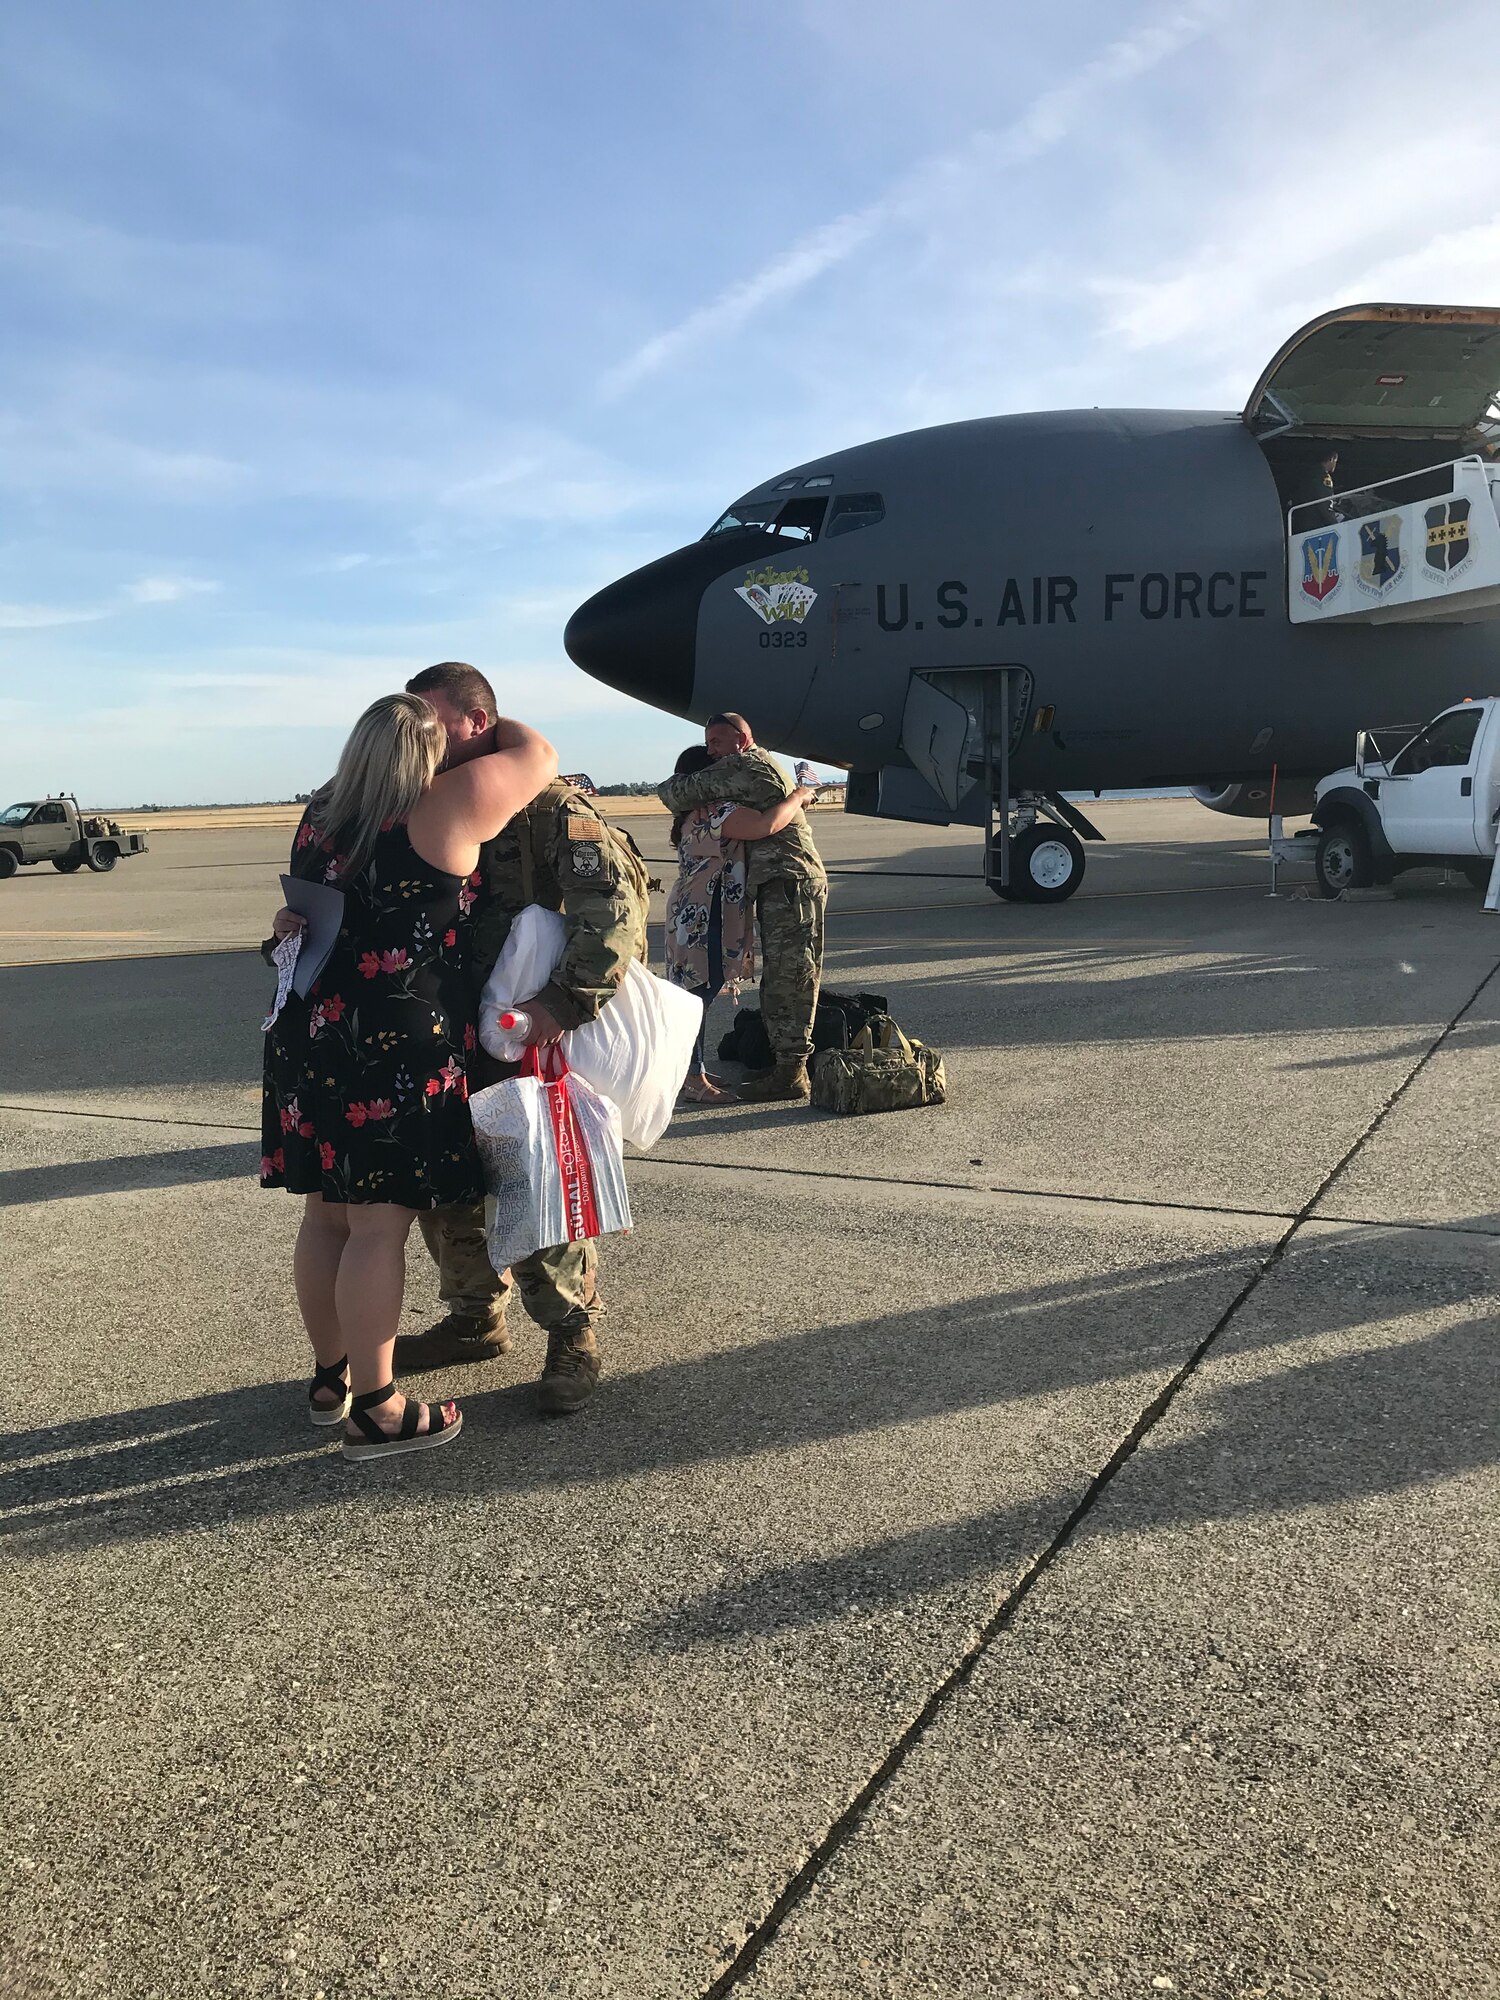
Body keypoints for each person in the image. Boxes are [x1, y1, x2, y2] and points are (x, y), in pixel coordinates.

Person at [261, 692, 557, 1461]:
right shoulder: (443, 804)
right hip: (395, 1041)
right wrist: (476, 725)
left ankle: (331, 1382)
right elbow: (538, 755)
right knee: (377, 1228)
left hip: (309, 1029)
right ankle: (379, 1409)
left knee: (325, 1216)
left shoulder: (321, 814)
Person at [391, 662, 650, 1412]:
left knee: (536, 1183)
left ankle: (573, 1331)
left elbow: (614, 910)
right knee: (447, 1191)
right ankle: (474, 1318)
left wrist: (557, 1006)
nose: (422, 738)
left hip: (520, 1037)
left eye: (433, 721)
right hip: (442, 1034)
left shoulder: (547, 810)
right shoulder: (418, 800)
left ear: (478, 722)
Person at [656, 712, 828, 1104]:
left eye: (718, 742)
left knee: (702, 990)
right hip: (706, 911)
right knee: (697, 993)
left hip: (706, 908)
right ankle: (692, 1074)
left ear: (742, 739)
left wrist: (796, 799)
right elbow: (764, 824)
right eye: (709, 747)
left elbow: (679, 794)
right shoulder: (715, 811)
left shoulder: (743, 773)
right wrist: (800, 795)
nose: (714, 753)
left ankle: (703, 1070)